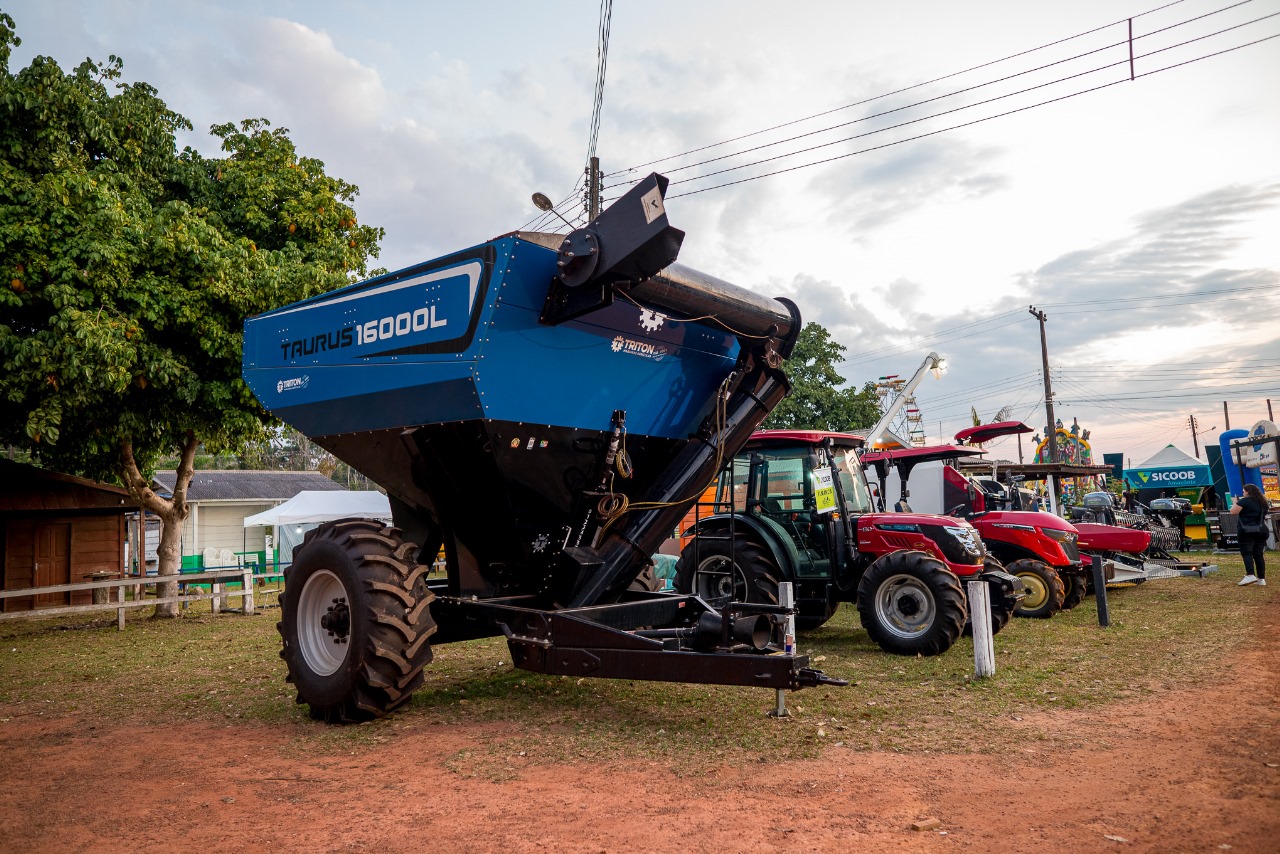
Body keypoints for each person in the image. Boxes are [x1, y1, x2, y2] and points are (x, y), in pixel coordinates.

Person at [1231, 483, 1270, 586]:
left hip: (1247, 530)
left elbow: (1233, 512)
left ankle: (1250, 575)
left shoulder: (1245, 501)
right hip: (1262, 530)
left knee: (1247, 552)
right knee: (1258, 554)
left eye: (1244, 491)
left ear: (1247, 492)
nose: (1243, 493)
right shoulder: (1263, 502)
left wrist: (1235, 502)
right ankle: (1261, 579)